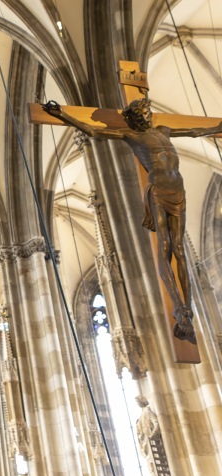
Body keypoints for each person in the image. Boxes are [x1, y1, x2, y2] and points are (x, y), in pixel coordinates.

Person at [43, 97, 222, 345]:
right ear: (132, 117)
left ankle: (187, 309)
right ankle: (179, 308)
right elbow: (94, 130)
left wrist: (216, 129)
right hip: (158, 191)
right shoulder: (131, 136)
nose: (145, 117)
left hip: (177, 189)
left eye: (147, 113)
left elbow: (193, 131)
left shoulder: (163, 130)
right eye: (141, 114)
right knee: (166, 246)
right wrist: (62, 115)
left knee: (180, 250)